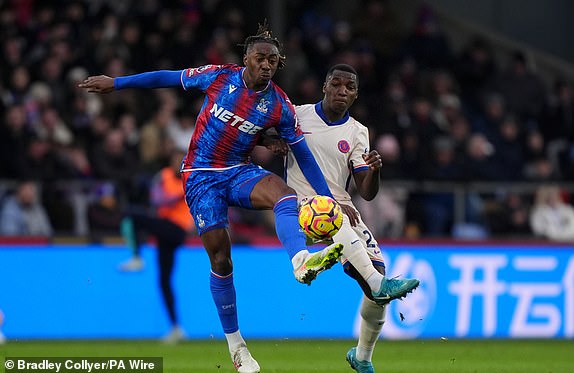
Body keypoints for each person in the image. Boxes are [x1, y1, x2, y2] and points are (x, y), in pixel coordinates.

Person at [79, 23, 342, 373]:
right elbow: (167, 77)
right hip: (200, 176)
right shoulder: (218, 77)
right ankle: (238, 348)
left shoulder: (280, 106)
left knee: (284, 194)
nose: (266, 64)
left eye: (273, 61)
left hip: (238, 170)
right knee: (221, 259)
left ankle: (300, 260)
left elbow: (304, 156)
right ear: (246, 58)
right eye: (260, 58)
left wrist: (329, 199)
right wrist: (117, 82)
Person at [278, 64, 420, 373]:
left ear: (355, 94)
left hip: (342, 208)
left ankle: (363, 356)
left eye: (349, 87)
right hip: (304, 208)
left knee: (378, 277)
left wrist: (375, 171)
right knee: (375, 280)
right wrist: (271, 142)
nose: (342, 90)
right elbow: (264, 134)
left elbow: (366, 192)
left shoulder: (358, 132)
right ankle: (372, 281)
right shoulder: (297, 115)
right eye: (337, 84)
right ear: (325, 87)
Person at [119, 150, 195, 344]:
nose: (179, 163)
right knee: (164, 281)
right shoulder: (165, 176)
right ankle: (176, 328)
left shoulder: (191, 176)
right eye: (176, 159)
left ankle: (136, 257)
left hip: (176, 229)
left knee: (133, 216)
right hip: (164, 228)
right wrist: (176, 195)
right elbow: (157, 199)